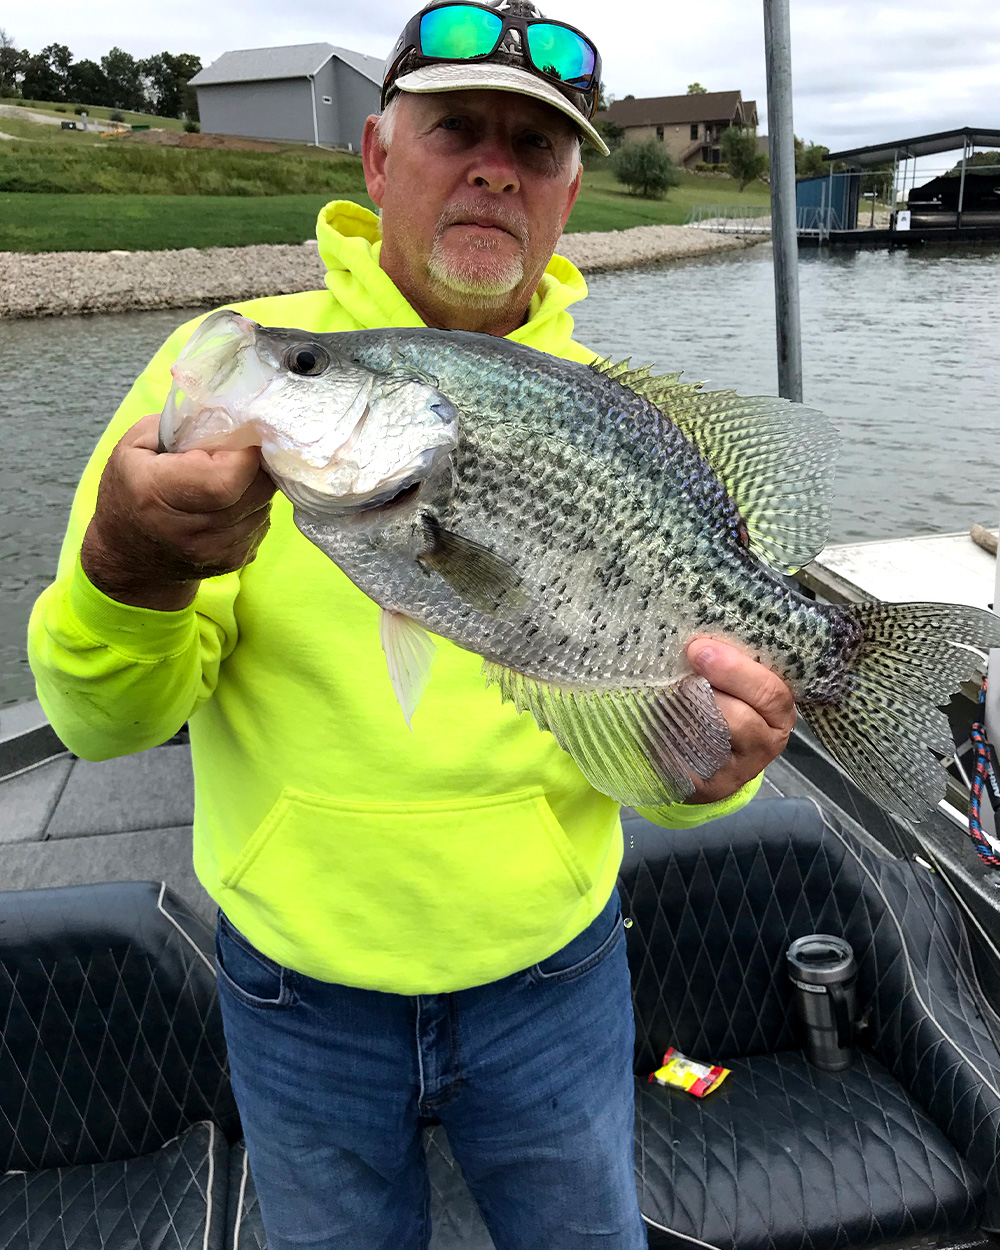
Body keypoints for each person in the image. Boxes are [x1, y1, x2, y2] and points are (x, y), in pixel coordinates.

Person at [28, 2, 796, 1247]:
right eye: (456, 131)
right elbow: (101, 724)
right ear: (381, 158)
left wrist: (717, 765)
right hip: (293, 994)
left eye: (534, 148)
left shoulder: (620, 419)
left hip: (557, 979)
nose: (495, 164)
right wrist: (131, 566)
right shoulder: (224, 375)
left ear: (567, 197)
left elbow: (669, 770)